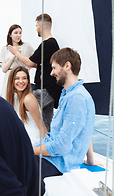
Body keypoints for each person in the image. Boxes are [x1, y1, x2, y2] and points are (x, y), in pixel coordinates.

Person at [33, 47, 95, 177]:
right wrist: (90, 161)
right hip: (52, 158)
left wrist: (30, 150)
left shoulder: (76, 98)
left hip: (57, 164)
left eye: (54, 68)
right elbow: (84, 129)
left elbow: (61, 146)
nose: (51, 73)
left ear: (67, 66)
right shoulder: (69, 94)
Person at [8, 14, 62, 132]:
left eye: (36, 26)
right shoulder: (52, 44)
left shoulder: (47, 44)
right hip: (52, 91)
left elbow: (30, 63)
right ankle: (47, 145)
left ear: (40, 26)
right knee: (47, 122)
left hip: (45, 89)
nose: (36, 29)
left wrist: (16, 53)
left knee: (21, 111)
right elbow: (38, 64)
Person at [6, 66, 47, 146]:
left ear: (28, 81)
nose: (21, 81)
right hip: (23, 139)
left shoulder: (28, 99)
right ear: (12, 81)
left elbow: (41, 125)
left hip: (33, 141)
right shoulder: (15, 98)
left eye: (24, 78)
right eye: (17, 78)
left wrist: (47, 147)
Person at [0, 24, 34, 98]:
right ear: (10, 35)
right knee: (9, 99)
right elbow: (4, 69)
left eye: (20, 33)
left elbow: (35, 61)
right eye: (16, 33)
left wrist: (28, 70)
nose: (18, 35)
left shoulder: (26, 46)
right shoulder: (5, 49)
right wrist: (14, 54)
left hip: (22, 77)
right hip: (9, 76)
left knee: (23, 98)